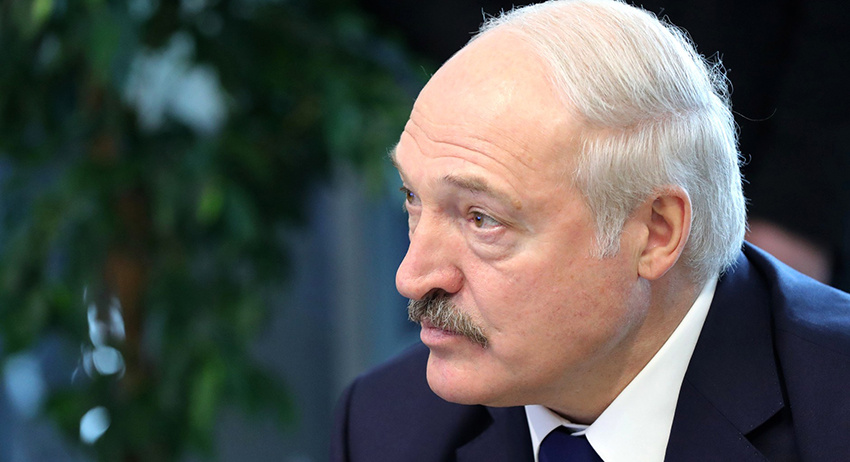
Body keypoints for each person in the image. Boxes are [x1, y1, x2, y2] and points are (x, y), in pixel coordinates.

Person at [331, 0, 850, 460]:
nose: (411, 277)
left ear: (656, 232)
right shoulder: (384, 425)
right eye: (413, 199)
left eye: (482, 219)